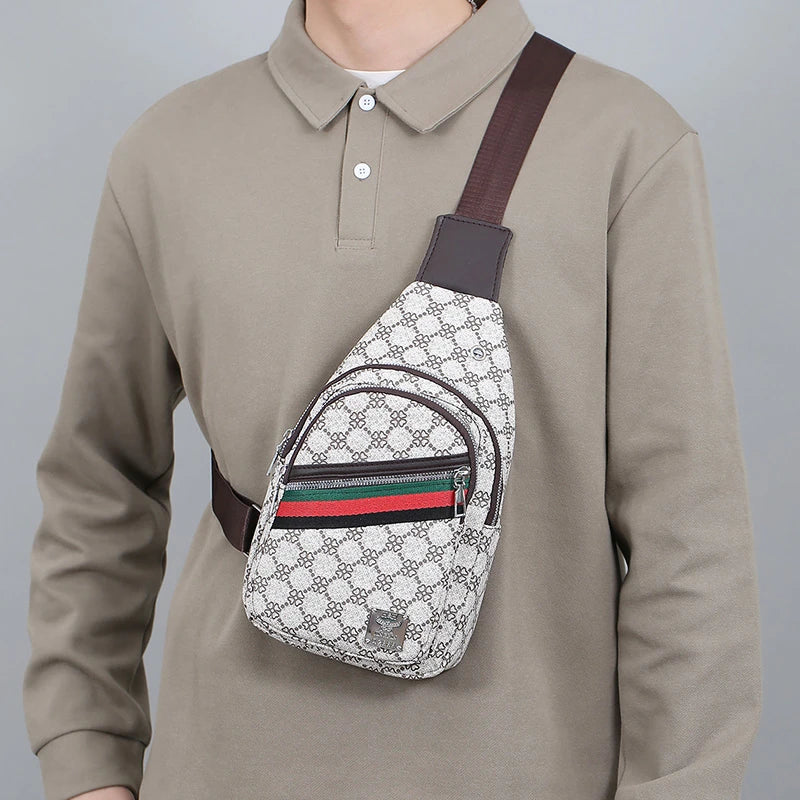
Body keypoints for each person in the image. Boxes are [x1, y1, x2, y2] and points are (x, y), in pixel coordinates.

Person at [22, 0, 763, 798]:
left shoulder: (625, 139)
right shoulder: (167, 149)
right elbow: (99, 478)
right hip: (219, 767)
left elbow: (689, 528)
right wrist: (85, 758)